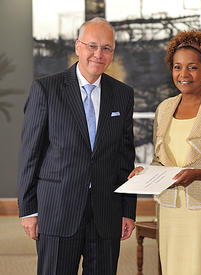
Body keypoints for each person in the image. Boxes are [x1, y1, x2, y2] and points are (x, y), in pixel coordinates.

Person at [17, 17, 136, 275]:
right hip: (57, 211)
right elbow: (30, 155)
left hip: (106, 213)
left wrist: (129, 210)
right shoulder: (46, 90)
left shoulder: (123, 95)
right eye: (92, 45)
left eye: (106, 48)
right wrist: (28, 210)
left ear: (113, 53)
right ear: (77, 47)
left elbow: (125, 158)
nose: (98, 53)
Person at [129, 30, 201, 275]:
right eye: (177, 67)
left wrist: (197, 174)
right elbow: (161, 161)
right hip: (171, 211)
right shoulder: (164, 108)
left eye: (192, 67)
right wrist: (145, 171)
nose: (183, 74)